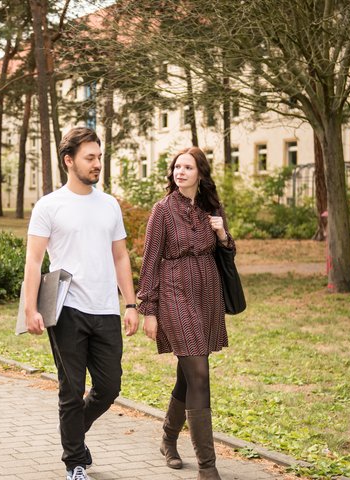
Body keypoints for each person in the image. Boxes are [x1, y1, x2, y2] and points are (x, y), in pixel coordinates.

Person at [23, 127, 140, 480]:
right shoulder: (49, 205)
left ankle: (75, 434)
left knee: (109, 387)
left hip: (105, 308)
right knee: (71, 389)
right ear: (68, 160)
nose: (97, 164)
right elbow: (33, 259)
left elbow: (120, 257)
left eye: (99, 157)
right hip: (66, 309)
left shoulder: (109, 205)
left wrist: (131, 304)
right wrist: (30, 308)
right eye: (90, 158)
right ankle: (75, 462)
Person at [137, 146, 234, 480]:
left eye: (187, 167)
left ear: (200, 173)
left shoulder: (211, 207)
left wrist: (222, 232)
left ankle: (167, 437)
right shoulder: (162, 210)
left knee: (189, 374)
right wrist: (148, 309)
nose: (180, 172)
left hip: (207, 294)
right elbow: (149, 261)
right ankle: (208, 468)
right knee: (199, 374)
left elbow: (228, 250)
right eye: (177, 167)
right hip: (175, 294)